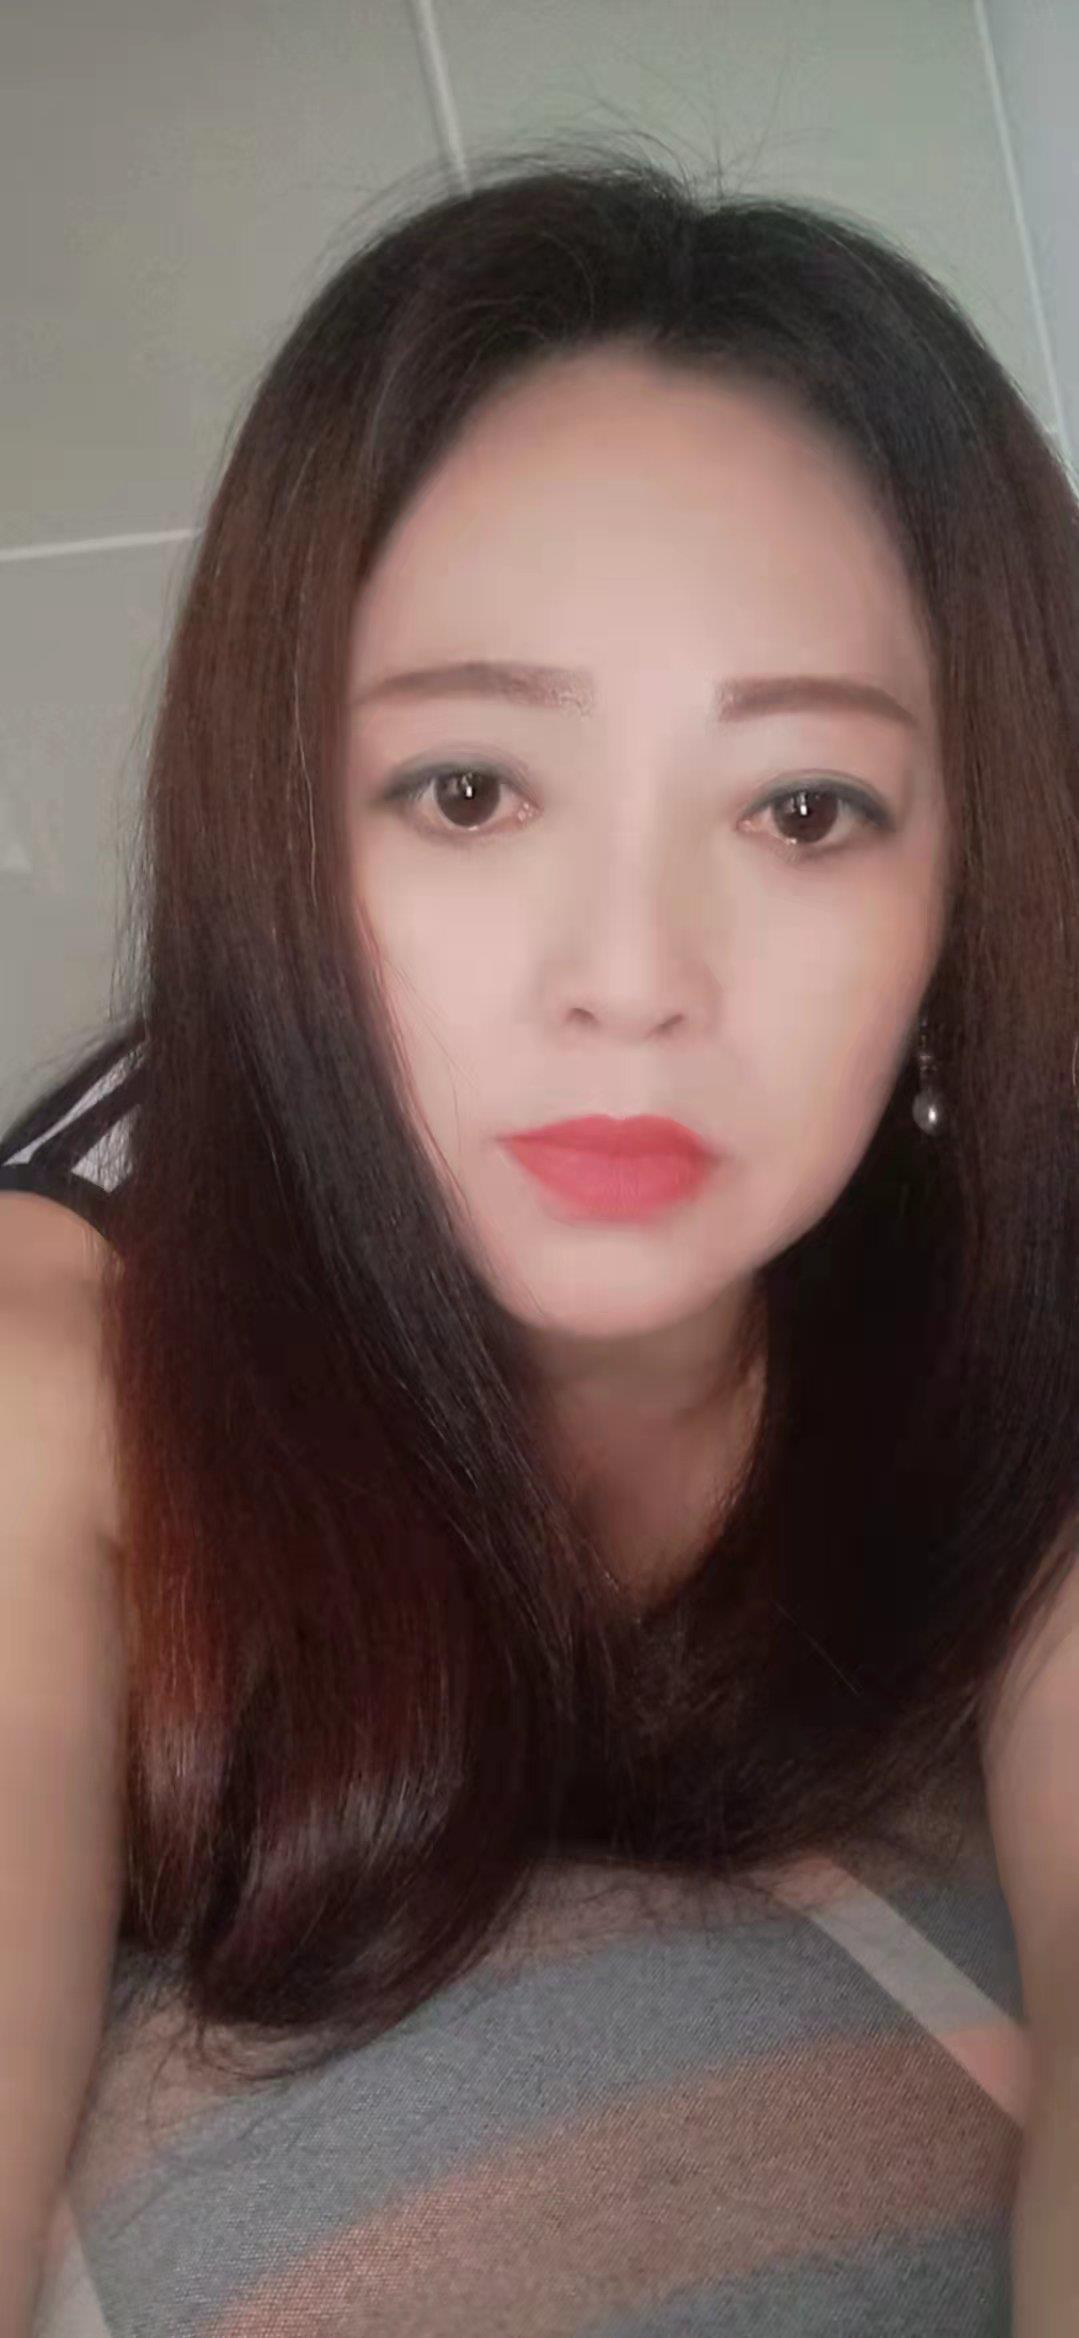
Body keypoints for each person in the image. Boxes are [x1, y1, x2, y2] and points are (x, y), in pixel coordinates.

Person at [1, 143, 1077, 2336]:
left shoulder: (1005, 1272)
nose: (630, 980)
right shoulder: (60, 1375)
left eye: (803, 808)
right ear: (285, 829)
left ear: (967, 883)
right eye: (471, 790)